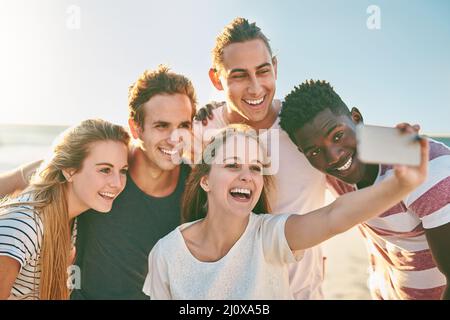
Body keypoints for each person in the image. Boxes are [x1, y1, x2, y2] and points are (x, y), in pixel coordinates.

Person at [143, 124, 428, 299]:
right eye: (232, 165)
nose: (247, 176)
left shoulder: (269, 236)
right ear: (205, 180)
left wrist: (401, 185)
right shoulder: (166, 254)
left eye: (255, 168)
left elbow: (333, 216)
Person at [193, 17, 327, 299]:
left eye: (263, 71)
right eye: (239, 76)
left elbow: (365, 176)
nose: (255, 88)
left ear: (275, 68)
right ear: (216, 79)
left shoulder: (307, 128)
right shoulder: (199, 131)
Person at [278, 80, 450, 300]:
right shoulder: (336, 170)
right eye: (314, 151)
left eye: (338, 135)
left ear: (356, 119)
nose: (333, 156)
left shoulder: (429, 170)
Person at [70, 65, 196, 299]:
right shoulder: (104, 169)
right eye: (161, 126)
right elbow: (49, 177)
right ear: (136, 128)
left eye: (183, 126)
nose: (174, 139)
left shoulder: (198, 187)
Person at [0, 119, 129, 300]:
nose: (117, 183)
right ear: (69, 171)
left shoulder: (71, 219)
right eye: (105, 170)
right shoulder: (24, 227)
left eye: (123, 170)